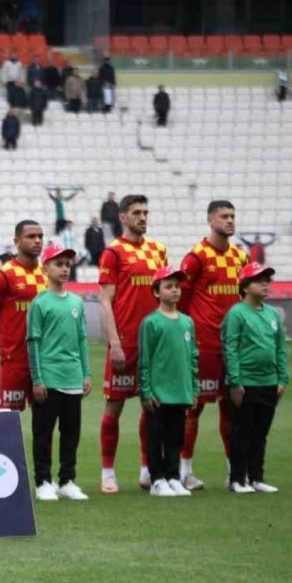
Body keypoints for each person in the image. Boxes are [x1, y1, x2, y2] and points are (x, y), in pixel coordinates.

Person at [97, 194, 167, 494]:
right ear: (123, 217)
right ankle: (107, 473)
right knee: (114, 406)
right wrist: (114, 342)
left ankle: (146, 469)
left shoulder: (158, 251)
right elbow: (105, 300)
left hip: (154, 346)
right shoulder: (113, 253)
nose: (143, 217)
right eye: (137, 212)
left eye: (146, 212)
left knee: (151, 407)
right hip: (125, 343)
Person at [175, 200, 247, 489]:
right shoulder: (196, 257)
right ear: (210, 220)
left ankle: (235, 472)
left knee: (233, 409)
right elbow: (181, 302)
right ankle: (184, 472)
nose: (230, 221)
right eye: (224, 216)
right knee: (193, 408)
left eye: (232, 216)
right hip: (204, 346)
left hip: (233, 348)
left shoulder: (240, 257)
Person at [26, 244, 91, 501]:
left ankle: (67, 480)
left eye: (67, 264)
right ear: (46, 268)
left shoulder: (77, 302)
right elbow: (33, 342)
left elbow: (82, 339)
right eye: (59, 264)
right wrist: (37, 378)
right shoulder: (40, 303)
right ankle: (43, 481)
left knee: (71, 433)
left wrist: (86, 373)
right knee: (43, 433)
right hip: (49, 378)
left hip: (73, 377)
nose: (65, 269)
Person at [222, 263, 287, 494]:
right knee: (241, 433)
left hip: (269, 383)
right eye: (260, 281)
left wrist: (282, 379)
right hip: (246, 383)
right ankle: (237, 479)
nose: (266, 285)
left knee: (260, 434)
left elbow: (280, 348)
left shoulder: (272, 314)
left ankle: (256, 477)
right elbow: (230, 348)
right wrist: (235, 382)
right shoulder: (236, 313)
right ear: (245, 286)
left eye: (267, 281)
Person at [139, 267, 199, 498]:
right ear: (156, 292)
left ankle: (173, 477)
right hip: (158, 394)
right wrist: (146, 391)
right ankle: (157, 480)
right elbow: (145, 359)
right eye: (168, 287)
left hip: (180, 391)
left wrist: (194, 389)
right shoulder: (151, 323)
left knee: (176, 438)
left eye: (177, 286)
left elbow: (193, 357)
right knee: (156, 438)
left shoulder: (187, 322)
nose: (175, 291)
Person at [0, 220, 46, 412]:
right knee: (10, 416)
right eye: (31, 237)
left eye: (40, 236)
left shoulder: (47, 273)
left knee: (44, 417)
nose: (37, 241)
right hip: (15, 359)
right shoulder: (4, 275)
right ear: (17, 241)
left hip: (45, 359)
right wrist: (6, 343)